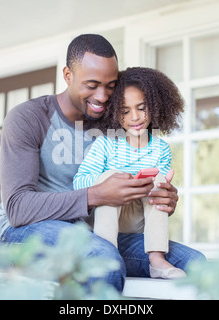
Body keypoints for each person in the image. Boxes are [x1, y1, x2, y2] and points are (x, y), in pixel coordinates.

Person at [0, 34, 206, 292]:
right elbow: (18, 208)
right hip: (23, 233)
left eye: (110, 86)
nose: (103, 96)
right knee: (103, 258)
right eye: (92, 84)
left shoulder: (114, 120)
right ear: (68, 75)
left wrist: (160, 199)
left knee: (195, 263)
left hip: (93, 233)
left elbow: (134, 172)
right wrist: (96, 195)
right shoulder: (29, 118)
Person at [73, 67, 186, 279]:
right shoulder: (106, 144)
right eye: (125, 111)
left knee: (158, 180)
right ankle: (105, 255)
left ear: (155, 106)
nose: (135, 117)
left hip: (137, 221)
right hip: (106, 217)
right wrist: (115, 181)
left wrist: (161, 186)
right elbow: (79, 183)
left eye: (142, 108)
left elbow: (159, 205)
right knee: (110, 175)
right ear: (115, 112)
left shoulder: (161, 148)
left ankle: (157, 260)